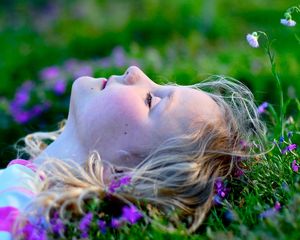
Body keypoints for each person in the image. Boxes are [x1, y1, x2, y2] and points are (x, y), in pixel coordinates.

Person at [0, 66, 266, 239]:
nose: (135, 71)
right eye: (159, 83)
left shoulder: (18, 215)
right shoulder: (20, 188)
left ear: (124, 176)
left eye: (151, 100)